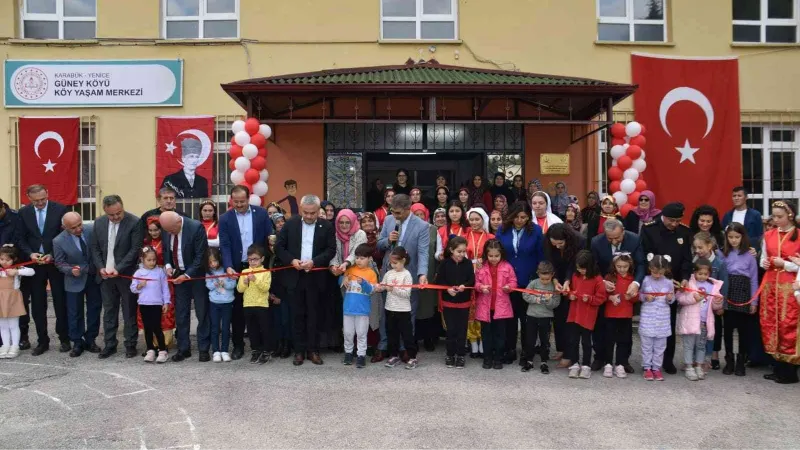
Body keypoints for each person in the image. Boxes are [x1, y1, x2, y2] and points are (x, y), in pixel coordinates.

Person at [276, 195, 336, 366]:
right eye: (306, 213)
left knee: (314, 314)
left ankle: (313, 350)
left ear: (319, 211)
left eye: (313, 213)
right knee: (297, 315)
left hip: (315, 276)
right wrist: (292, 261)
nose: (309, 216)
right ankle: (299, 351)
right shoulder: (291, 224)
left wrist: (315, 262)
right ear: (301, 210)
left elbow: (331, 250)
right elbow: (279, 247)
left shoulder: (326, 226)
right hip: (295, 276)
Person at [373, 194, 430, 363]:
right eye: (393, 212)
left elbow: (423, 252)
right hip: (389, 274)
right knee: (386, 312)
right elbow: (379, 243)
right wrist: (387, 240)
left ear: (408, 209)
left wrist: (422, 274)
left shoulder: (422, 226)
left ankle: (405, 348)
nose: (395, 216)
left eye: (398, 213)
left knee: (408, 313)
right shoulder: (389, 220)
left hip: (408, 275)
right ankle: (384, 347)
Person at [218, 185, 272, 360]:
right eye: (236, 202)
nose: (239, 205)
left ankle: (264, 346)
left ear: (249, 199)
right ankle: (238, 346)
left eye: (242, 201)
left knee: (260, 308)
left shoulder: (261, 214)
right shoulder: (225, 218)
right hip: (237, 267)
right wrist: (227, 265)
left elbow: (268, 238)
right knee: (238, 310)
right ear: (231, 200)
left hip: (258, 267)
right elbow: (224, 244)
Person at [640, 202, 693, 375]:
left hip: (673, 285)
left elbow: (686, 259)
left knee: (668, 323)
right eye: (671, 220)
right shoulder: (649, 229)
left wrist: (685, 278)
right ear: (663, 216)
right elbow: (646, 256)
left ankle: (667, 360)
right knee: (650, 324)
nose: (674, 224)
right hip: (654, 281)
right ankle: (649, 362)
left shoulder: (685, 232)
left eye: (678, 220)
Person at [16, 184, 68, 355]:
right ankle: (42, 341)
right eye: (36, 201)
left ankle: (64, 339)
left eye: (43, 199)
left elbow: (65, 236)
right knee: (38, 305)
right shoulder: (23, 213)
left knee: (60, 302)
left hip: (55, 263)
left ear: (48, 194)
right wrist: (29, 253)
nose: (40, 203)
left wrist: (53, 254)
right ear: (28, 198)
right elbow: (20, 238)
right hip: (34, 265)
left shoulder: (60, 209)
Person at [90, 194, 143, 359]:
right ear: (105, 211)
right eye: (111, 214)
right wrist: (101, 267)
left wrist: (118, 269)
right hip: (105, 276)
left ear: (122, 207)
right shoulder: (99, 223)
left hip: (125, 275)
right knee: (109, 311)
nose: (115, 217)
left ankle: (130, 345)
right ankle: (110, 344)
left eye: (118, 213)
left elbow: (135, 250)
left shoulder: (134, 222)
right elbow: (95, 248)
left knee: (129, 311)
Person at [590, 219, 646, 372]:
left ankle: (623, 361)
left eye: (617, 238)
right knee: (601, 327)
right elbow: (593, 266)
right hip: (604, 289)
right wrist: (601, 282)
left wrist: (636, 283)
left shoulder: (634, 239)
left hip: (626, 289)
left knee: (625, 331)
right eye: (610, 238)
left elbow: (641, 264)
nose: (614, 241)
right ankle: (600, 358)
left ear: (623, 231)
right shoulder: (596, 242)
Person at [495, 201, 544, 365]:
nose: (519, 220)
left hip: (528, 281)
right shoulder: (502, 229)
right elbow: (497, 252)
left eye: (523, 217)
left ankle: (526, 351)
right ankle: (509, 350)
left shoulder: (536, 231)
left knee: (526, 319)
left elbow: (541, 256)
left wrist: (538, 278)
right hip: (507, 281)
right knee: (509, 317)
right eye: (516, 217)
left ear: (529, 217)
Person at [161, 211, 211, 363]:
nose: (169, 233)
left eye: (172, 230)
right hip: (178, 274)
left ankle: (203, 349)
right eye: (167, 231)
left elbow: (200, 256)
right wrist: (168, 266)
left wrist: (187, 275)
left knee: (202, 313)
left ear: (178, 222)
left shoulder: (196, 228)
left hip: (196, 276)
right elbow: (167, 251)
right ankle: (184, 348)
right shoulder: (167, 228)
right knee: (181, 314)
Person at [759, 200, 800, 384]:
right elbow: (763, 258)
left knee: (787, 324)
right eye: (774, 216)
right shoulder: (768, 235)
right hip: (770, 286)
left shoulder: (798, 235)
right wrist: (765, 263)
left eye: (779, 216)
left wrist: (785, 264)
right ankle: (778, 366)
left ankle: (790, 370)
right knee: (771, 323)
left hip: (789, 288)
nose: (775, 220)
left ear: (790, 215)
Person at [53, 212, 102, 357]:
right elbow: (59, 262)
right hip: (74, 280)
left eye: (79, 224)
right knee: (74, 312)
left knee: (94, 310)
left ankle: (91, 340)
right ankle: (77, 342)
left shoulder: (91, 229)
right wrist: (69, 270)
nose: (78, 229)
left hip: (93, 277)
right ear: (64, 227)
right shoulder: (58, 241)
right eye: (73, 227)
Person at [719, 222, 759, 377]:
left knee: (743, 331)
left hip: (744, 293)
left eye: (737, 237)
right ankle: (729, 360)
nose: (734, 240)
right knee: (728, 329)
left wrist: (753, 301)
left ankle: (741, 361)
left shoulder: (749, 256)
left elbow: (754, 279)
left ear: (743, 237)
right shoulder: (724, 254)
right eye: (730, 237)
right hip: (728, 291)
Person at [544, 224, 585, 367]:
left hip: (574, 279)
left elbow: (575, 265)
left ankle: (570, 355)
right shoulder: (549, 242)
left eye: (560, 244)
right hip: (556, 280)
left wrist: (568, 281)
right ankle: (561, 349)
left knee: (570, 320)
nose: (557, 247)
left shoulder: (579, 241)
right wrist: (554, 280)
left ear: (567, 239)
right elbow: (550, 261)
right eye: (554, 244)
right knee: (558, 317)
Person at [676, 258, 722, 381]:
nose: (702, 276)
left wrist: (718, 303)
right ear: (694, 272)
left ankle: (699, 366)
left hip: (704, 322)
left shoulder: (712, 286)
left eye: (705, 274)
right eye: (699, 274)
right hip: (690, 321)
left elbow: (714, 306)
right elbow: (680, 298)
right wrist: (693, 299)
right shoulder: (689, 283)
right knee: (689, 345)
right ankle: (689, 366)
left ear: (709, 274)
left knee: (701, 346)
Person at [474, 239, 516, 370]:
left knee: (500, 335)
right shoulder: (481, 267)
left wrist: (509, 286)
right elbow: (475, 283)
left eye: (496, 256)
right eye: (490, 256)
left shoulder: (507, 266)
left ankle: (498, 358)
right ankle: (487, 358)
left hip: (501, 308)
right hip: (485, 307)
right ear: (486, 255)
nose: (493, 258)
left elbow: (514, 281)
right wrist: (481, 287)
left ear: (501, 254)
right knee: (486, 334)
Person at [564, 250, 606, 379]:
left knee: (587, 342)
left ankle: (586, 365)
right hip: (574, 314)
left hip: (587, 316)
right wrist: (569, 296)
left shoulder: (598, 279)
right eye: (578, 268)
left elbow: (601, 298)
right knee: (573, 340)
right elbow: (571, 291)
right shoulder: (575, 276)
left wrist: (591, 299)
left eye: (583, 269)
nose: (581, 271)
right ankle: (575, 363)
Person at [375, 246, 418, 370]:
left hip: (403, 310)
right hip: (390, 308)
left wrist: (393, 289)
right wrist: (380, 287)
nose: (393, 265)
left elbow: (406, 293)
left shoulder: (407, 275)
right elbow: (383, 284)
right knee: (391, 333)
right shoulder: (389, 273)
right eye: (391, 263)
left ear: (403, 261)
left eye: (395, 263)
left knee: (407, 335)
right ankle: (394, 355)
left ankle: (412, 357)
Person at [435, 236, 475, 369]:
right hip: (449, 302)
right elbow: (439, 281)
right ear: (451, 250)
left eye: (464, 251)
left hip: (464, 302)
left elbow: (472, 280)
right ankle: (450, 354)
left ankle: (461, 355)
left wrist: (465, 285)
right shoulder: (444, 264)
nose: (462, 254)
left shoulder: (468, 263)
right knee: (451, 330)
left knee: (462, 330)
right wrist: (447, 289)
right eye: (459, 251)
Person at [693, 231, 729, 370]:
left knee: (713, 329)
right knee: (698, 330)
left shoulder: (719, 263)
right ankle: (698, 357)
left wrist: (721, 304)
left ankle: (712, 355)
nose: (698, 251)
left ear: (710, 246)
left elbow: (724, 285)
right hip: (698, 303)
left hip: (713, 304)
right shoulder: (695, 261)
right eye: (695, 248)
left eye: (700, 247)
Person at [139, 216, 176, 349]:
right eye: (151, 230)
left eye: (156, 230)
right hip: (148, 281)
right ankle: (151, 344)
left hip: (163, 278)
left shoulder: (167, 242)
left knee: (164, 310)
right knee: (148, 309)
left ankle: (164, 343)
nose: (153, 233)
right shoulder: (145, 243)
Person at [130, 246, 171, 363]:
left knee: (157, 327)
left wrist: (166, 302)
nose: (152, 262)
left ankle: (163, 350)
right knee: (147, 328)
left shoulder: (160, 272)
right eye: (149, 260)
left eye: (154, 260)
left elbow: (165, 288)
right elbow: (133, 288)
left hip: (156, 304)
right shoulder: (138, 273)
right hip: (144, 304)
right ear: (142, 260)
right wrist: (140, 286)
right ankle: (150, 350)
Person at [639, 254, 676, 382]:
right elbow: (640, 295)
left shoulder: (669, 282)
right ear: (650, 268)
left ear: (665, 270)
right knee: (647, 345)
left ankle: (656, 367)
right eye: (655, 272)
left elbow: (672, 299)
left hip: (662, 319)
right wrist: (645, 297)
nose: (657, 275)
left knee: (660, 346)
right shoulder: (645, 280)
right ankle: (647, 367)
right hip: (648, 318)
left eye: (660, 273)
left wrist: (670, 299)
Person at [340, 243, 377, 368]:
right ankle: (348, 353)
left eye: (362, 258)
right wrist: (343, 279)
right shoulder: (350, 270)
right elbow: (340, 281)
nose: (358, 260)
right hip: (348, 309)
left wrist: (364, 284)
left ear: (369, 259)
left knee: (361, 333)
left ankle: (361, 355)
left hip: (362, 310)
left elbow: (372, 290)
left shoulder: (371, 273)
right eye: (357, 257)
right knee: (348, 333)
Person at [602, 253, 638, 378]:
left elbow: (636, 298)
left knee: (624, 341)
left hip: (625, 315)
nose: (622, 269)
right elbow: (602, 294)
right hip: (611, 314)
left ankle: (620, 364)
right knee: (609, 340)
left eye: (625, 266)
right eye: (619, 266)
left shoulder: (632, 280)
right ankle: (608, 364)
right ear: (614, 266)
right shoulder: (609, 278)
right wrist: (610, 297)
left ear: (629, 266)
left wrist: (632, 297)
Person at [521, 261, 560, 374]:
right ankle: (529, 361)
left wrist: (548, 301)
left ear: (552, 275)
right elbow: (525, 294)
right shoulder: (534, 283)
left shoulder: (554, 286)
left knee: (544, 341)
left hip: (546, 317)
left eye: (547, 279)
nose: (544, 281)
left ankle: (544, 362)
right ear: (538, 274)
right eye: (542, 279)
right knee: (530, 340)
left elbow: (556, 303)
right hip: (532, 315)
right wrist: (535, 299)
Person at [237, 244, 273, 365]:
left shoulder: (265, 272)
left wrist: (255, 280)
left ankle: (267, 351)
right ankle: (255, 350)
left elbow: (265, 288)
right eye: (250, 259)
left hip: (261, 305)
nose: (252, 262)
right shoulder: (244, 271)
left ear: (262, 259)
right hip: (248, 304)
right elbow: (240, 290)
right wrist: (245, 282)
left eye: (255, 259)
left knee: (265, 329)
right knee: (252, 330)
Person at [411, 203, 440, 352]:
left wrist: (437, 272)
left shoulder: (433, 230)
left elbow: (438, 252)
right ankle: (414, 339)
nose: (419, 217)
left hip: (429, 273)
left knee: (428, 307)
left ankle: (429, 338)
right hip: (411, 272)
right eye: (416, 215)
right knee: (414, 306)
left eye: (421, 214)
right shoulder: (407, 229)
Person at [465, 208, 493, 357]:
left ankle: (483, 341)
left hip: (484, 278)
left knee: (483, 309)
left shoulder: (490, 237)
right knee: (471, 311)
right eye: (472, 219)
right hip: (469, 277)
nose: (474, 222)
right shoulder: (464, 235)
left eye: (477, 219)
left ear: (483, 220)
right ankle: (473, 341)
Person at [0, 245, 34, 358]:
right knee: (3, 325)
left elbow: (31, 271)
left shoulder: (17, 268)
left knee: (13, 324)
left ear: (14, 259)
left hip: (13, 299)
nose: (4, 262)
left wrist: (17, 272)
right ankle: (5, 345)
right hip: (1, 300)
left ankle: (15, 346)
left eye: (8, 260)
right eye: (2, 259)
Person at [205, 247, 236, 363]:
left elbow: (233, 284)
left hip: (227, 303)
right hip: (214, 303)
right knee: (215, 327)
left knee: (226, 327)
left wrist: (224, 284)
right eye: (210, 262)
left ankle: (225, 350)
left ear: (220, 259)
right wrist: (216, 283)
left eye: (215, 261)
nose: (213, 264)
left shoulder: (227, 270)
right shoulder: (209, 272)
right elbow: (208, 286)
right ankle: (216, 351)